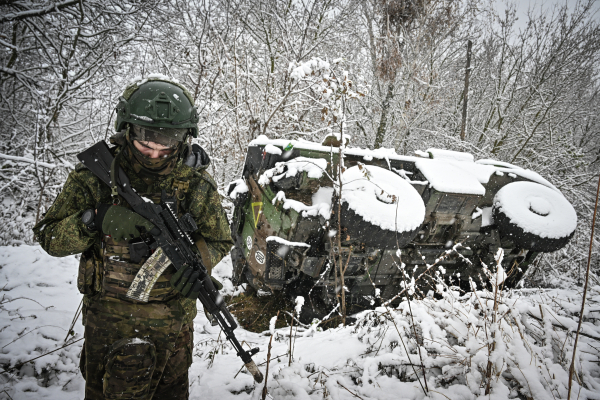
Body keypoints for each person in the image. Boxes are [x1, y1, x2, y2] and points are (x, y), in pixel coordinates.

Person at [33, 78, 233, 399]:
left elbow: (221, 239)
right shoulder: (96, 176)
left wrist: (196, 263)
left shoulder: (194, 182)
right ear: (127, 128)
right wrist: (96, 219)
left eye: (166, 144)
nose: (154, 153)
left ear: (184, 138)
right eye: (145, 141)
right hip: (110, 328)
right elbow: (49, 235)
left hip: (174, 332)